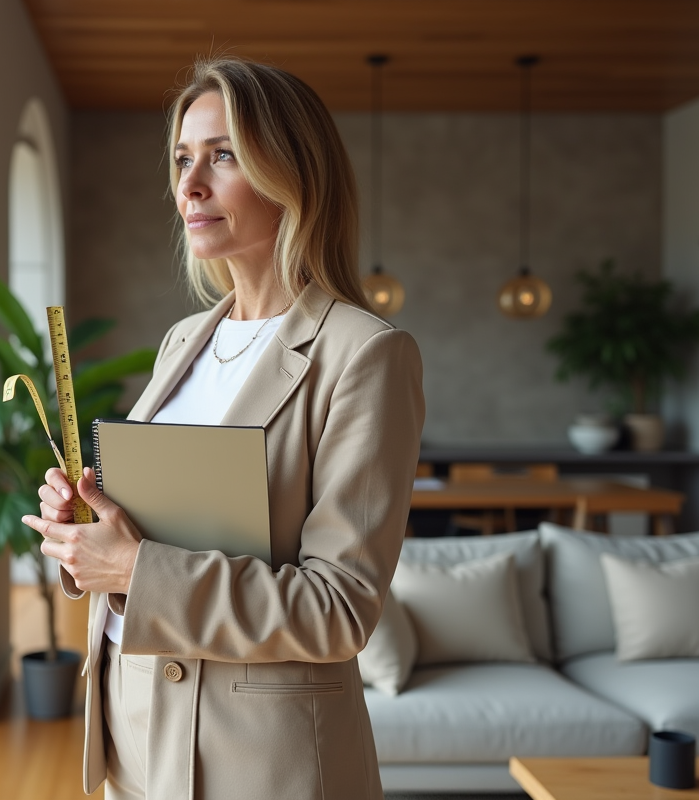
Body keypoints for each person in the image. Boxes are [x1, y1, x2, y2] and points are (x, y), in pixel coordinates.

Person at [21, 56, 425, 800]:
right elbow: (149, 538)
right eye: (182, 159)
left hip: (258, 761)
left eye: (223, 155)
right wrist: (86, 531)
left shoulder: (364, 354)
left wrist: (135, 570)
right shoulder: (184, 341)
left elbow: (338, 610)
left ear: (293, 174)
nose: (190, 185)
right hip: (134, 737)